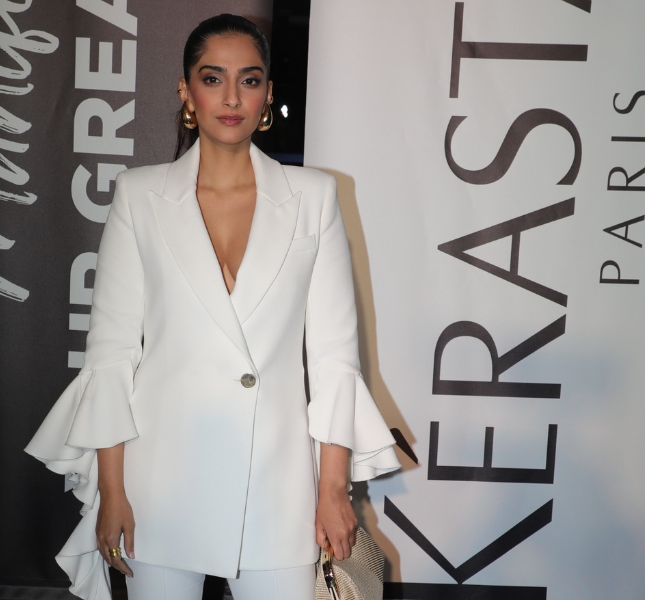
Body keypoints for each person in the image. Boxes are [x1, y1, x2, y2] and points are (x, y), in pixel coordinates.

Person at [26, 14, 400, 600]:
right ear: (186, 91)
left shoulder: (313, 197)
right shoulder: (140, 196)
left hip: (278, 487)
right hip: (161, 482)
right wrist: (113, 492)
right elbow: (111, 356)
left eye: (249, 80)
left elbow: (334, 360)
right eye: (212, 78)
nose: (231, 97)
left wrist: (334, 490)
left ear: (268, 95)